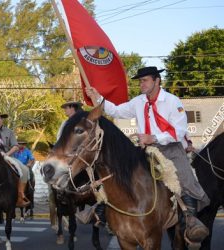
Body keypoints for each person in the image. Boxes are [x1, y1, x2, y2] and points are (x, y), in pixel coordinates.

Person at [86, 66, 210, 243]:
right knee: (117, 171)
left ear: (157, 81)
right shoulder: (138, 101)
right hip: (144, 149)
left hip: (170, 148)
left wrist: (153, 137)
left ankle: (190, 220)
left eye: (145, 80)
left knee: (185, 177)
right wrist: (97, 97)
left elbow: (180, 131)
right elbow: (116, 111)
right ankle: (101, 208)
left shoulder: (173, 101)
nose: (141, 84)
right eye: (140, 81)